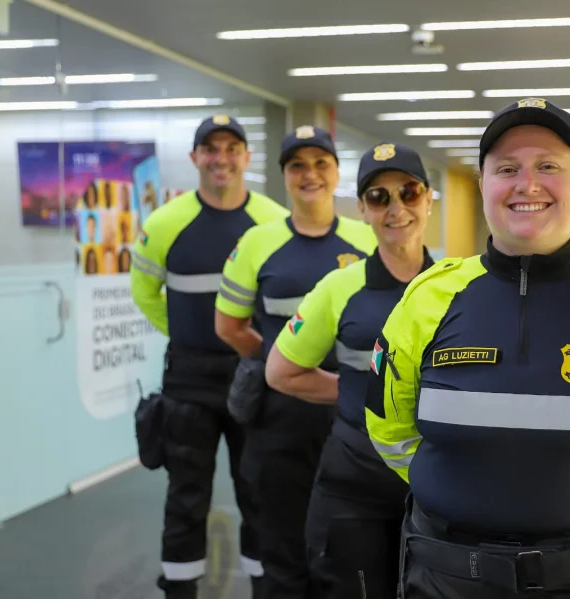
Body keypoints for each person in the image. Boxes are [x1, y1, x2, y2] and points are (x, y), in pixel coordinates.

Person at [364, 98, 570, 599]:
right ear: (482, 185)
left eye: (548, 166)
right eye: (507, 169)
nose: (528, 184)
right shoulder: (427, 300)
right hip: (449, 577)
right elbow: (389, 429)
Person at [265, 142, 435, 599]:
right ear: (361, 209)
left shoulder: (459, 287)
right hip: (353, 489)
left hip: (438, 490)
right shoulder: (339, 287)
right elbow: (281, 372)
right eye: (379, 197)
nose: (396, 208)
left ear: (428, 199)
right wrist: (356, 393)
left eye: (409, 192)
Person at [214, 125, 378, 599]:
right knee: (283, 552)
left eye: (320, 163)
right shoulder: (257, 242)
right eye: (297, 166)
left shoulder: (367, 240)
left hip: (350, 423)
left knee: (349, 551)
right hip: (277, 423)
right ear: (284, 176)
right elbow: (229, 326)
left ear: (337, 171)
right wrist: (282, 364)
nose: (310, 175)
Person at [130, 114, 290, 599]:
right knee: (186, 497)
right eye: (211, 149)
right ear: (195, 158)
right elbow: (145, 294)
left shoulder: (271, 220)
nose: (222, 159)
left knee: (260, 492)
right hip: (188, 380)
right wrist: (186, 334)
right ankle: (180, 591)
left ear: (245, 157)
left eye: (231, 149)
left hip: (254, 375)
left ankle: (267, 586)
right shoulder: (164, 223)